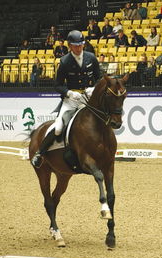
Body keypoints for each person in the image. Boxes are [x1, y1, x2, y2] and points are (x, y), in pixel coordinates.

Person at [31, 30, 100, 168]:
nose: (79, 48)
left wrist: (94, 88)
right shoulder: (64, 62)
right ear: (70, 46)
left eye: (81, 45)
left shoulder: (91, 58)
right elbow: (57, 85)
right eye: (75, 45)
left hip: (88, 98)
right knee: (58, 128)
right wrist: (69, 93)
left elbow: (99, 78)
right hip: (71, 100)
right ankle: (40, 153)